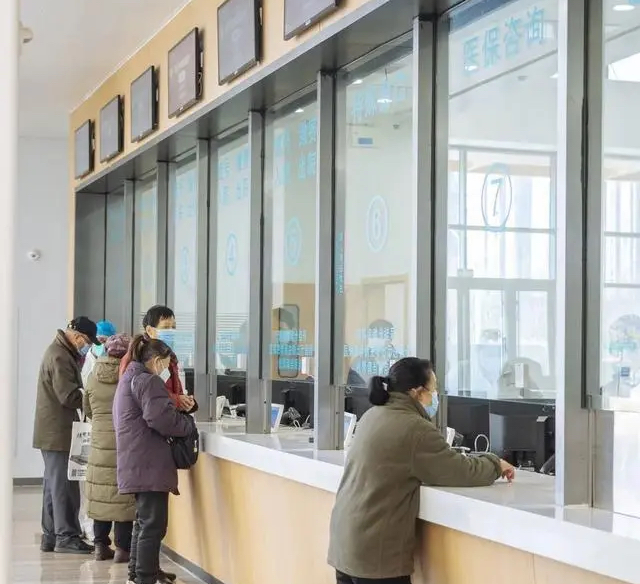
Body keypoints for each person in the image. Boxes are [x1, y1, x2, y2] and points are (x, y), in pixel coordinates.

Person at [328, 357, 515, 584]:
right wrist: (495, 464)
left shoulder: (372, 415)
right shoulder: (415, 428)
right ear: (417, 392)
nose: (435, 396)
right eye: (433, 390)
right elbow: (459, 471)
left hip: (346, 544)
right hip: (374, 554)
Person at [114, 335, 194, 584]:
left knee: (144, 523)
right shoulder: (148, 381)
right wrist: (187, 424)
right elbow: (162, 419)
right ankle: (144, 578)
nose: (166, 371)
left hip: (138, 459)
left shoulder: (130, 376)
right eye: (166, 365)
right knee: (153, 525)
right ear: (158, 361)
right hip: (148, 461)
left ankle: (137, 574)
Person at [33, 317, 100, 554]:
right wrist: (94, 396)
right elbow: (69, 396)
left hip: (53, 431)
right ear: (77, 336)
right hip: (58, 432)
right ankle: (67, 536)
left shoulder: (59, 351)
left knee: (53, 485)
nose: (86, 346)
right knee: (64, 486)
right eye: (87, 341)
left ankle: (51, 535)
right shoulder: (60, 356)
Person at [83, 333, 135, 563]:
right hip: (124, 443)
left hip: (99, 443)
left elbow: (87, 409)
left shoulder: (93, 376)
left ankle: (100, 546)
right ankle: (123, 549)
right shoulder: (129, 376)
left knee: (101, 495)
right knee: (123, 497)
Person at [119, 305, 196, 414]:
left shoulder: (170, 357)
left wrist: (185, 402)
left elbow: (176, 390)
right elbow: (140, 393)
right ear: (150, 330)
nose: (171, 331)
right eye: (165, 327)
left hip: (166, 416)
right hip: (146, 419)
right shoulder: (137, 356)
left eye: (173, 327)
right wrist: (177, 400)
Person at [81, 320, 117, 386]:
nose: (101, 345)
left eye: (104, 341)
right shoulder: (83, 357)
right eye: (98, 340)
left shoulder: (116, 361)